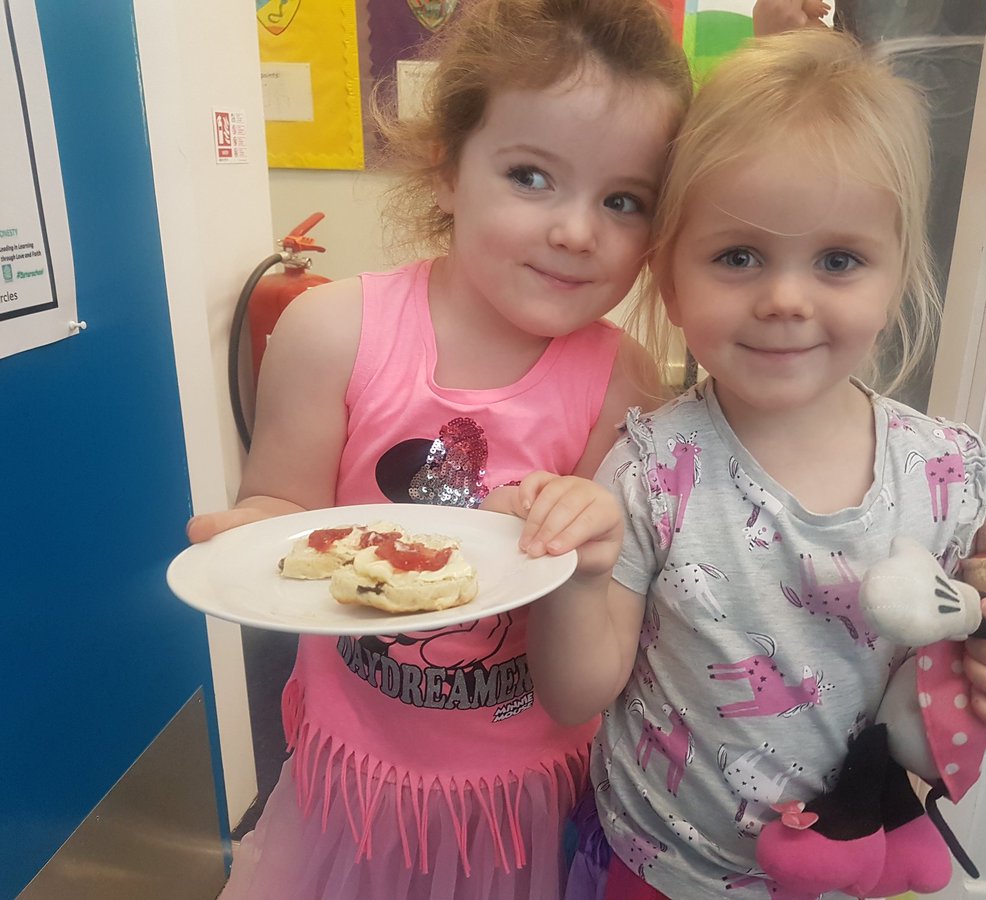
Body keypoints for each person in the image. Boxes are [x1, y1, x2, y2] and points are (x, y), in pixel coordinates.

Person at [502, 29, 986, 898]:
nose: (784, 298)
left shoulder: (946, 472)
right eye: (738, 257)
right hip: (665, 870)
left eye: (839, 260)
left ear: (894, 277)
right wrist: (580, 576)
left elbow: (982, 637)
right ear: (669, 279)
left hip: (863, 864)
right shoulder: (650, 469)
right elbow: (575, 695)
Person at [186, 2, 693, 897]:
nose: (577, 230)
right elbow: (287, 514)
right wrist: (249, 535)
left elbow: (599, 623)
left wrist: (583, 537)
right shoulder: (330, 330)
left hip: (532, 798)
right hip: (360, 792)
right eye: (532, 176)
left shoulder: (625, 380)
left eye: (623, 201)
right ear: (447, 166)